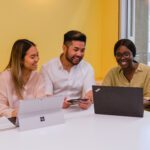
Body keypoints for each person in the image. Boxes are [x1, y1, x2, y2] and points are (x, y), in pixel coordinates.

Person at [41, 30, 95, 109]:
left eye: (82, 50)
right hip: (56, 111)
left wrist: (88, 99)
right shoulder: (47, 68)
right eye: (75, 50)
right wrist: (57, 103)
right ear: (64, 48)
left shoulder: (87, 67)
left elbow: (89, 90)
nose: (79, 54)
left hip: (79, 111)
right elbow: (46, 95)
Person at [0, 39, 45, 119]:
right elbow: (1, 106)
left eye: (37, 55)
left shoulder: (38, 77)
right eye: (32, 57)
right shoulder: (5, 77)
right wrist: (13, 113)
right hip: (11, 125)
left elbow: (42, 101)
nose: (37, 59)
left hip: (33, 121)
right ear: (20, 59)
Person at [102, 39, 150, 107]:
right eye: (118, 55)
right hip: (119, 113)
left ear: (133, 54)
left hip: (144, 114)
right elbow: (103, 95)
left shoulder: (147, 71)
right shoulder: (112, 73)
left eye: (126, 54)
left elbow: (148, 100)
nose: (122, 58)